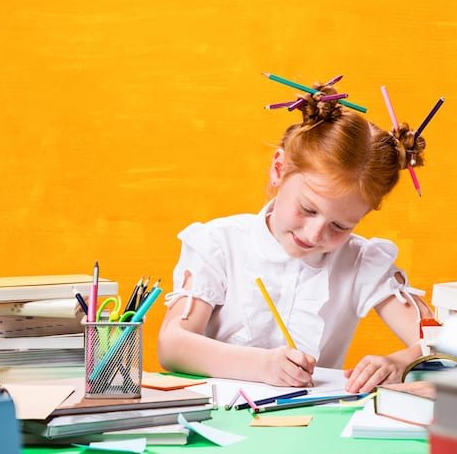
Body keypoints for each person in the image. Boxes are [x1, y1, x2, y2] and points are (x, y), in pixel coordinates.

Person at [157, 83, 433, 393]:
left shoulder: (361, 262)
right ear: (279, 169)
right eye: (307, 209)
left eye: (341, 226)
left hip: (315, 426)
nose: (316, 234)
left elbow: (443, 344)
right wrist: (261, 366)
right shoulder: (219, 244)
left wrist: (400, 363)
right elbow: (172, 346)